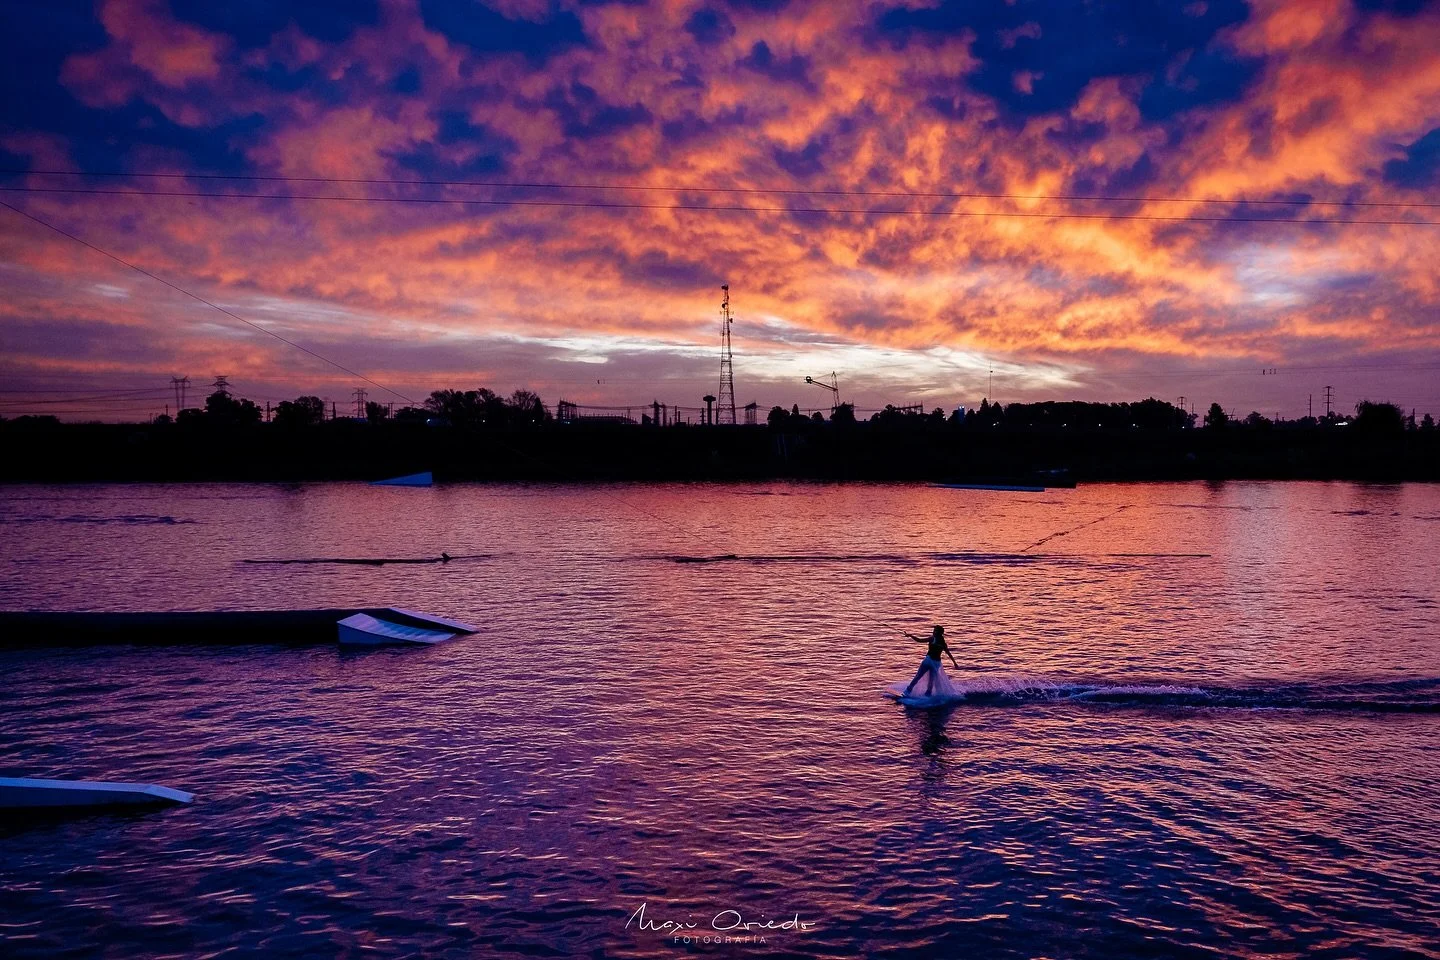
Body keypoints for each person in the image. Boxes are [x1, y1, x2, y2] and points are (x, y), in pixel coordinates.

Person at [903, 625, 958, 697]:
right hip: (934, 662)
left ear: (939, 633)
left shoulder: (935, 640)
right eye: (934, 630)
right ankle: (921, 693)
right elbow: (919, 640)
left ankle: (911, 691)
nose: (933, 632)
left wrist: (910, 635)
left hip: (931, 661)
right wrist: (954, 663)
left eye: (935, 631)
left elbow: (919, 640)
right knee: (927, 678)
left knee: (923, 678)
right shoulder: (941, 642)